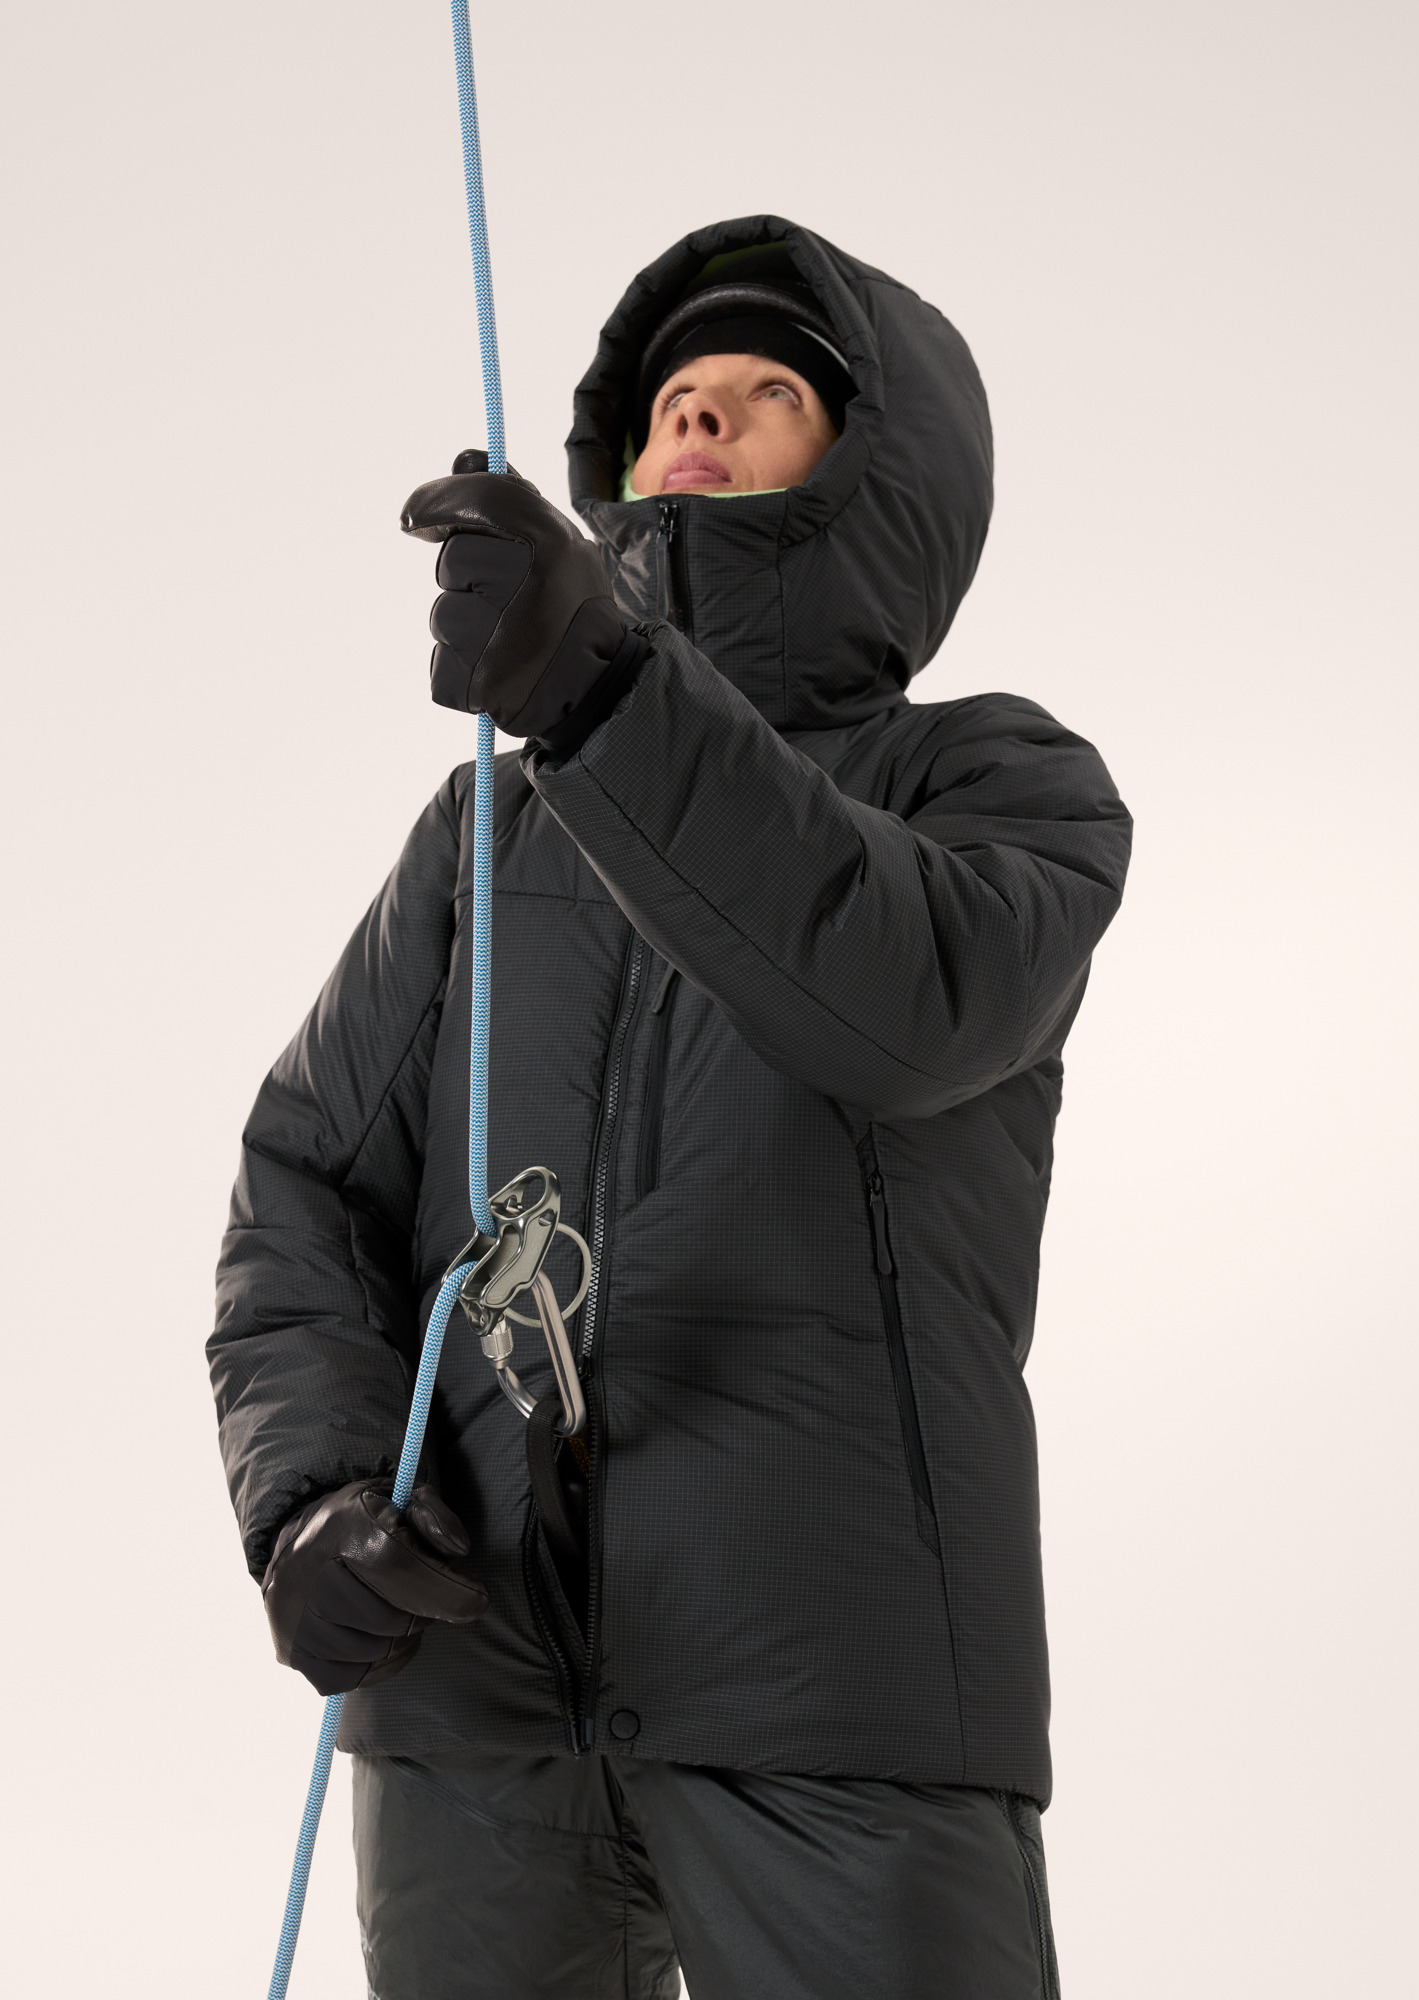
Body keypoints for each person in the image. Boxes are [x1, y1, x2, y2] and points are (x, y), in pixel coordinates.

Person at [210, 219, 1132, 2000]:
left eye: (765, 392)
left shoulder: (999, 784)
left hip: (834, 1697)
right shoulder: (484, 833)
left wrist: (605, 694)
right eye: (671, 400)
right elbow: (305, 1187)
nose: (696, 419)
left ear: (879, 478)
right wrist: (312, 1493)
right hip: (472, 1703)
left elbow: (906, 1004)